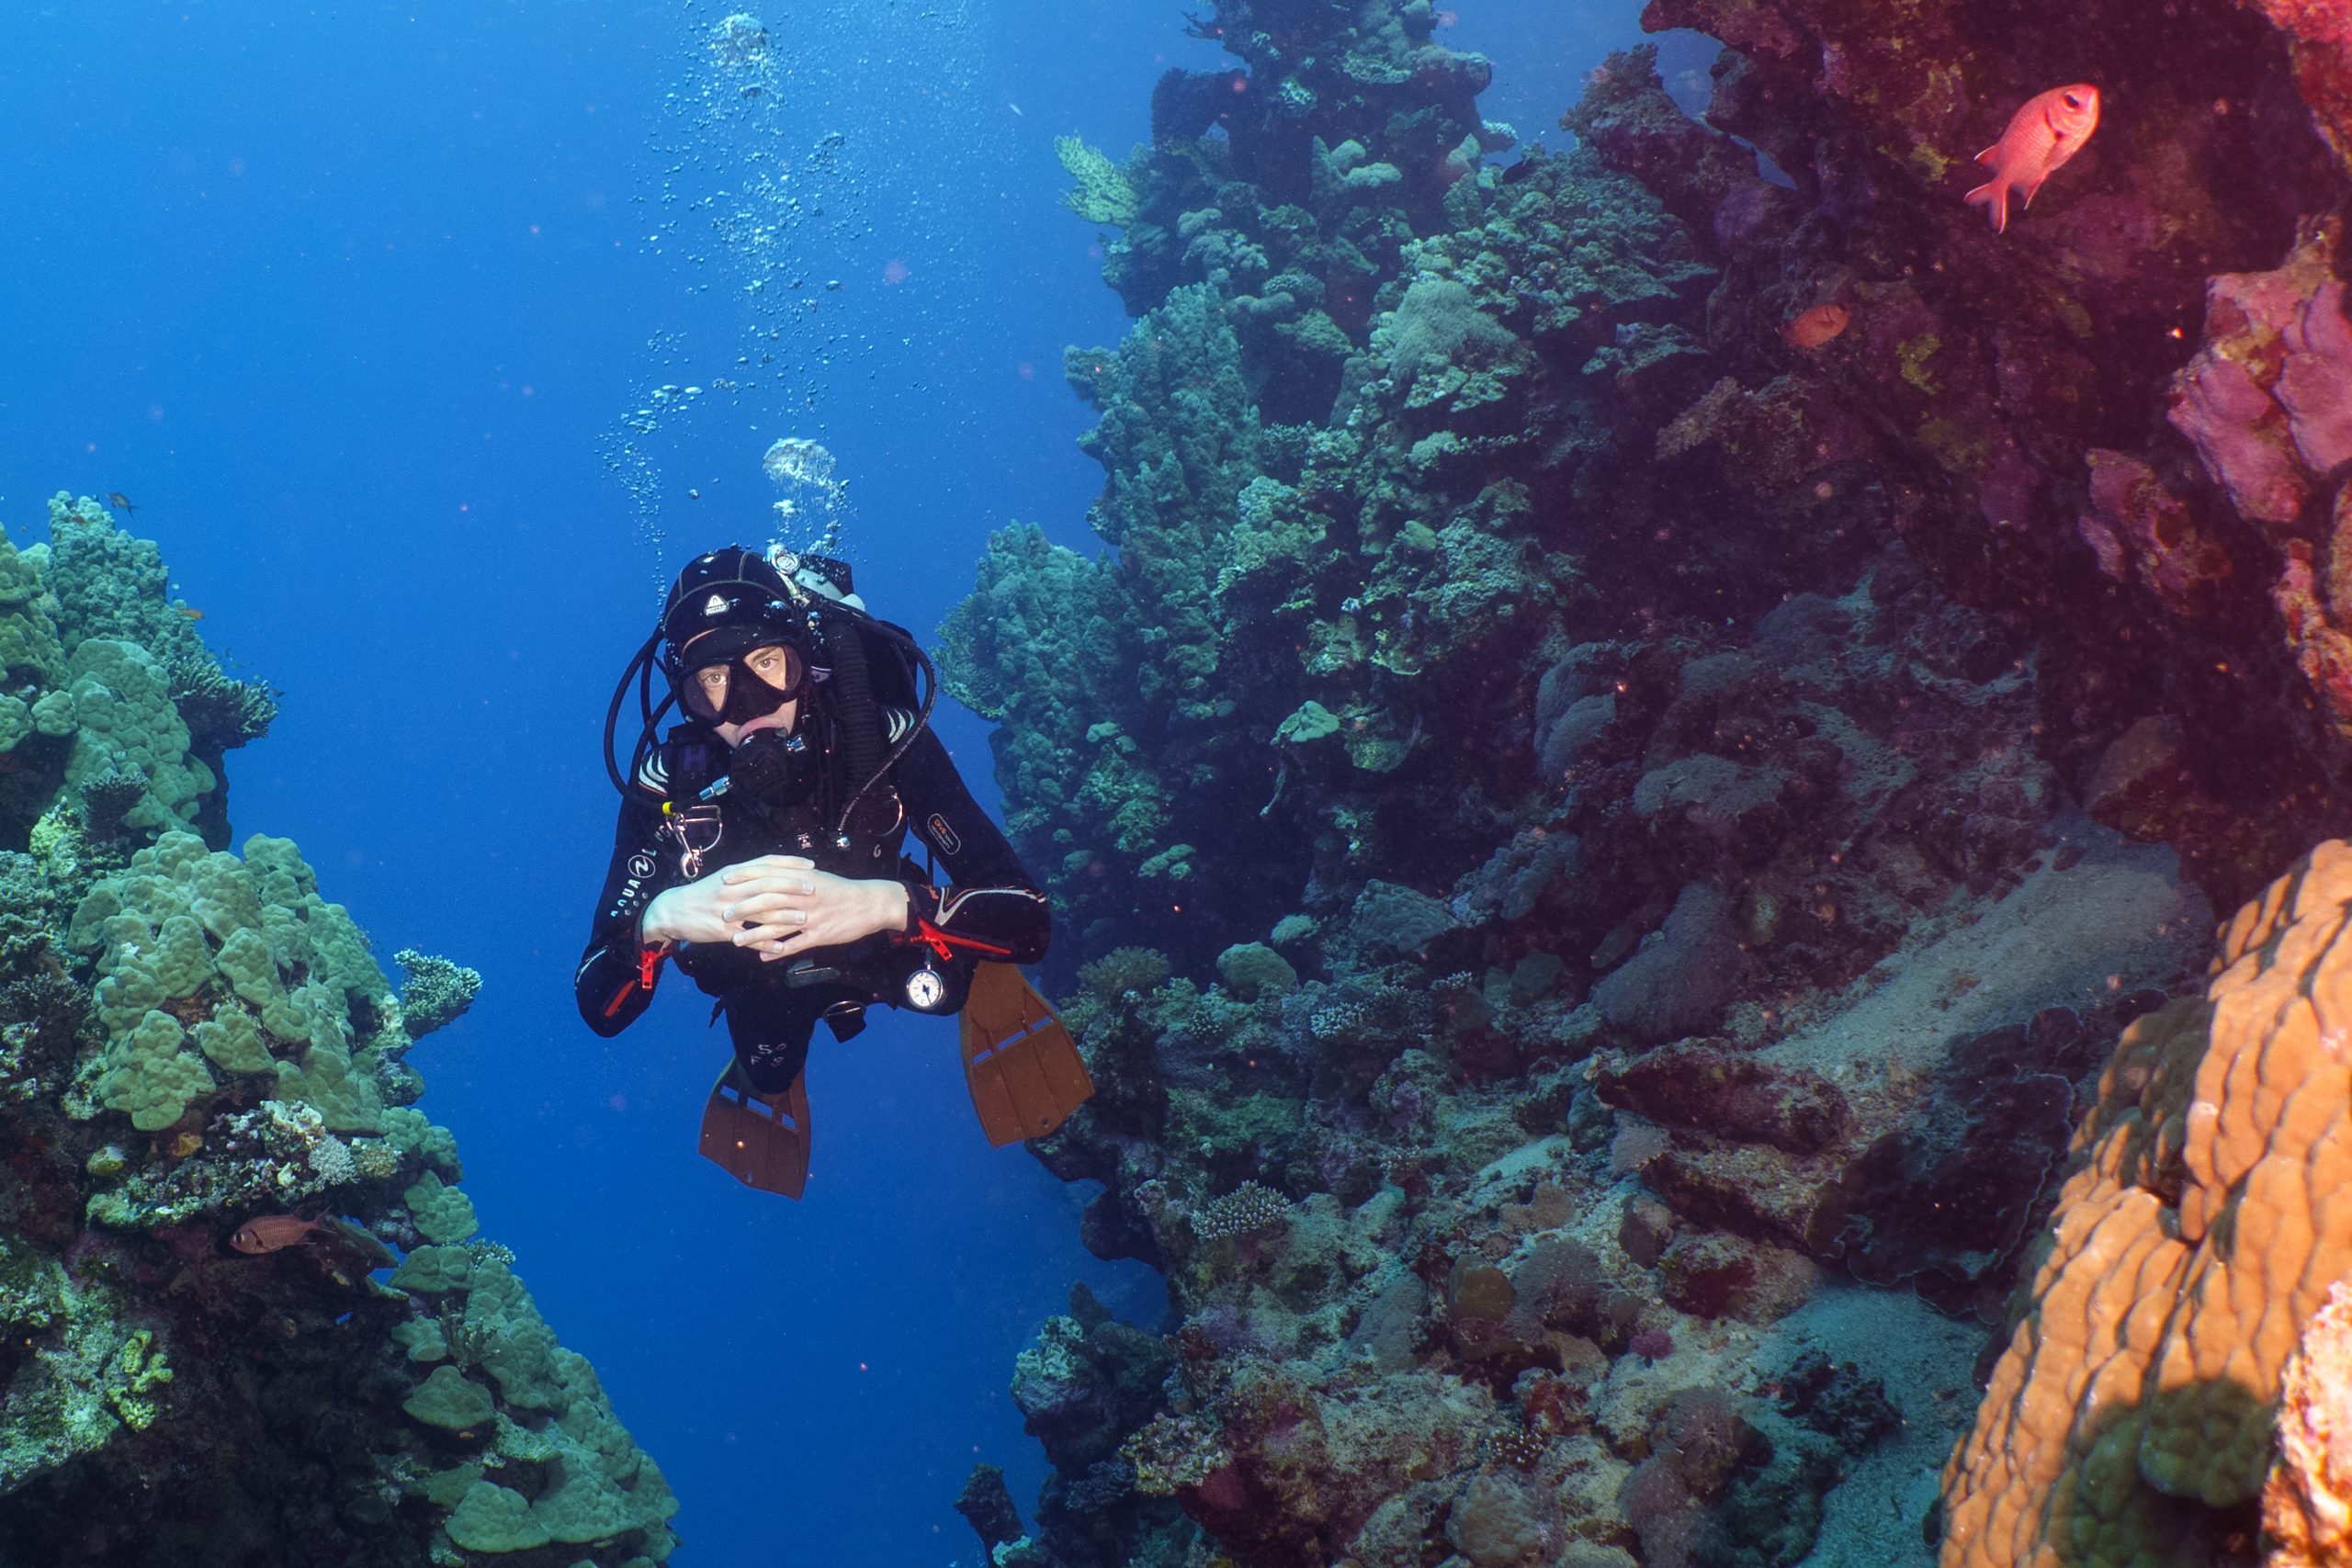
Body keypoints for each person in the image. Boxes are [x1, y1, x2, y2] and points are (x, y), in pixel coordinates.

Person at [574, 545, 1087, 1196]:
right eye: (713, 682)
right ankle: (773, 1068)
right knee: (767, 1062)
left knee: (947, 985)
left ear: (802, 660)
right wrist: (656, 919)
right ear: (685, 698)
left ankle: (978, 985)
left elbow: (1030, 920)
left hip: (890, 947)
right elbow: (600, 1003)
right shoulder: (668, 789)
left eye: (766, 664)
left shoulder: (879, 740)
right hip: (764, 980)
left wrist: (889, 904)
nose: (748, 704)